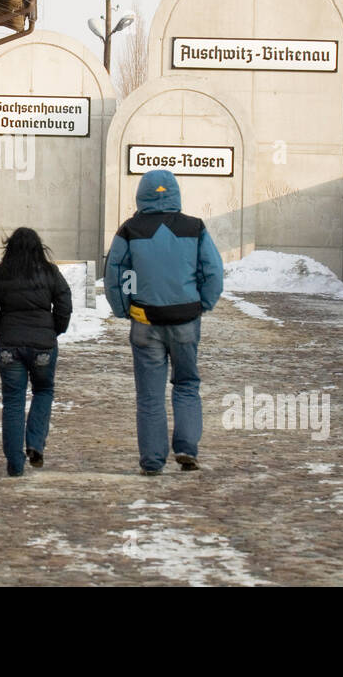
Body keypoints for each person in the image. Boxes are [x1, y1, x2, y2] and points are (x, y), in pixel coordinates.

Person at [104, 169, 223, 476]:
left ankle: (153, 460)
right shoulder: (195, 228)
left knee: (149, 394)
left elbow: (115, 274)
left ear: (141, 195)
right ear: (175, 194)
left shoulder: (129, 230)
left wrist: (123, 309)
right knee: (186, 384)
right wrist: (203, 304)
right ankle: (186, 447)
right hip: (186, 320)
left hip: (145, 322)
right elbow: (213, 272)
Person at [0, 227, 73, 477]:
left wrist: (3, 330)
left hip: (10, 346)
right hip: (43, 345)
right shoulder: (50, 273)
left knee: (13, 401)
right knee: (43, 391)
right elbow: (64, 303)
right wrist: (54, 330)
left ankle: (14, 463)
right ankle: (34, 443)